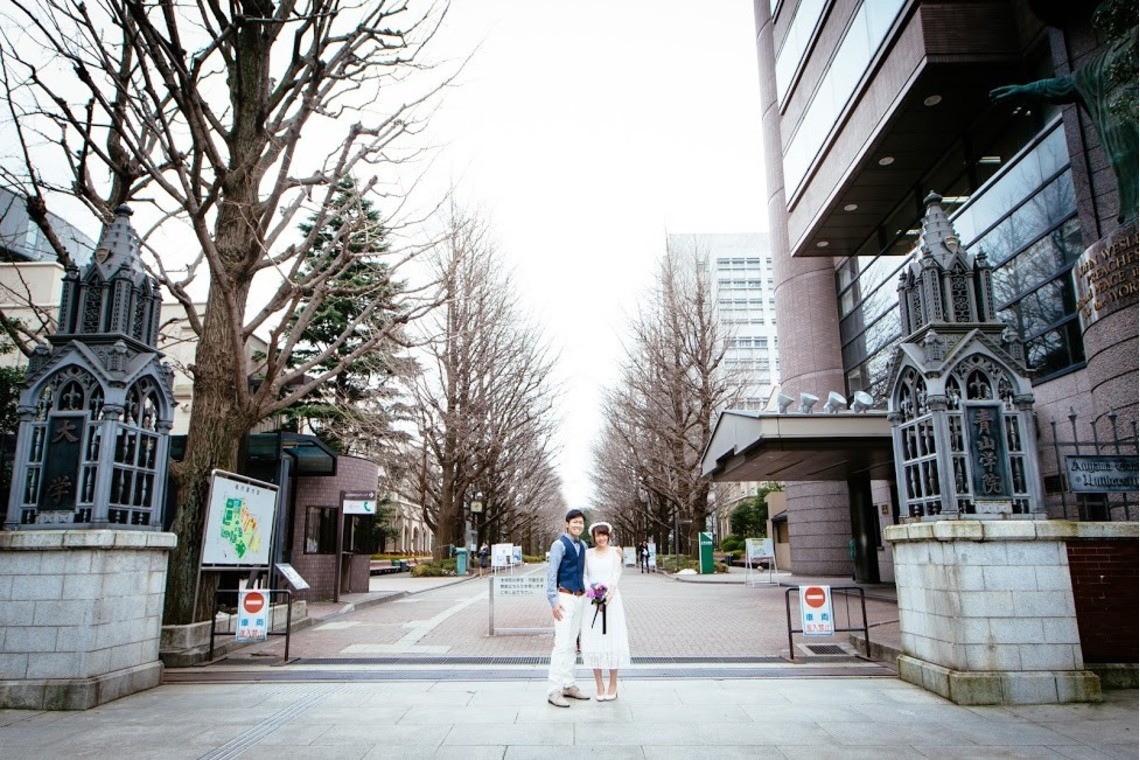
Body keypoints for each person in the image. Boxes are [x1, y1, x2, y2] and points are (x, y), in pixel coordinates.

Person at [580, 521, 631, 701]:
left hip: (612, 601)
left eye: (604, 534)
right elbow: (585, 576)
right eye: (597, 535)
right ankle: (599, 684)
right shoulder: (587, 554)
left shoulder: (615, 554)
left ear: (608, 535)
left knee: (612, 640)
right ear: (593, 537)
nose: (601, 538)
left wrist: (607, 596)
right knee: (595, 641)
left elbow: (615, 576)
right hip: (592, 602)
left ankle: (613, 684)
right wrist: (593, 594)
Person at [545, 509, 591, 707]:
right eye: (575, 522)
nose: (578, 525)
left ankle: (568, 684)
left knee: (572, 643)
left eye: (581, 522)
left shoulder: (583, 545)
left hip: (580, 598)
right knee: (561, 644)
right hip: (564, 597)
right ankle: (553, 690)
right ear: (567, 523)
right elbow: (551, 573)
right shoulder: (559, 545)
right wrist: (553, 601)